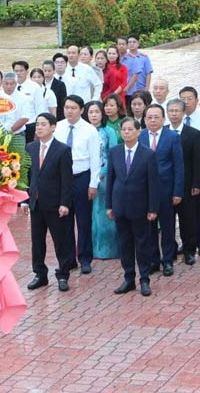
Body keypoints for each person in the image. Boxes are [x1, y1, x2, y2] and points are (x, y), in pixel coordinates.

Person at [107, 117, 159, 297]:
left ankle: (144, 279)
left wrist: (153, 208)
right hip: (120, 205)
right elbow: (110, 180)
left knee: (142, 244)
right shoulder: (114, 152)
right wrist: (109, 205)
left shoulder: (148, 154)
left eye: (130, 129)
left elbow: (153, 183)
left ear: (138, 132)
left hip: (140, 206)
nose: (127, 132)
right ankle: (128, 278)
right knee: (125, 244)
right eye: (124, 129)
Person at [26, 113, 76, 292]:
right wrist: (26, 199)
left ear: (53, 127)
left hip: (55, 204)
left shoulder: (62, 150)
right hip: (36, 203)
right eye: (37, 124)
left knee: (60, 241)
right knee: (37, 241)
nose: (39, 127)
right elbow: (28, 176)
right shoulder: (30, 148)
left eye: (43, 124)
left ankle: (63, 274)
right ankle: (40, 274)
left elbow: (67, 180)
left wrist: (65, 203)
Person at [54, 95, 102, 274]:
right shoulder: (58, 127)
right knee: (63, 220)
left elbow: (95, 159)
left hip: (82, 177)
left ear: (81, 110)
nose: (69, 111)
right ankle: (68, 259)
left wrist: (93, 183)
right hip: (62, 180)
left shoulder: (89, 130)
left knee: (83, 220)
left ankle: (85, 258)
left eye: (73, 108)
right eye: (67, 107)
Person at [141, 104, 184, 276]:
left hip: (166, 189)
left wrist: (177, 191)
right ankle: (153, 260)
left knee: (167, 227)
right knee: (149, 227)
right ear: (144, 120)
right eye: (149, 117)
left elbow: (179, 166)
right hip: (145, 191)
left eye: (156, 117)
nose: (152, 120)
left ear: (163, 119)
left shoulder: (172, 136)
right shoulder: (141, 136)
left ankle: (168, 261)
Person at [165, 98, 200, 266]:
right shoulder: (163, 132)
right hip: (167, 184)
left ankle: (189, 250)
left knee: (187, 220)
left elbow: (197, 161)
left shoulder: (193, 134)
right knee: (168, 221)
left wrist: (197, 183)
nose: (174, 114)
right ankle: (170, 251)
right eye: (171, 111)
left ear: (183, 113)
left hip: (187, 185)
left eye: (177, 111)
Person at [86, 101, 119, 260]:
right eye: (91, 112)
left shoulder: (109, 131)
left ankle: (108, 250)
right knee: (89, 214)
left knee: (104, 213)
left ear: (102, 114)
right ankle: (89, 249)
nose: (93, 115)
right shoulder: (84, 131)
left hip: (104, 177)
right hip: (86, 176)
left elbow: (112, 155)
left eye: (96, 112)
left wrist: (101, 173)